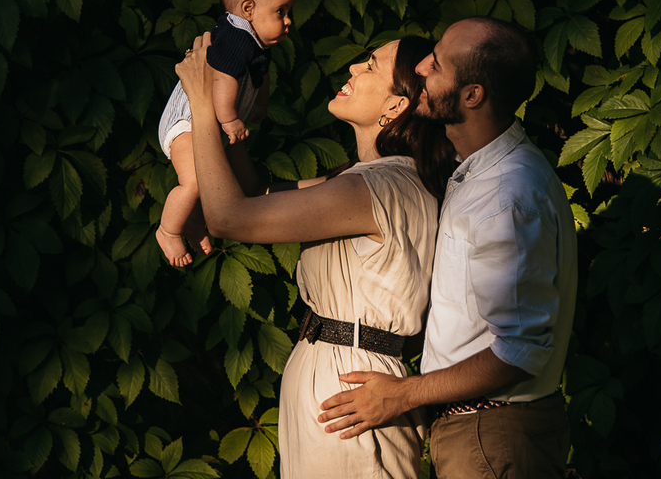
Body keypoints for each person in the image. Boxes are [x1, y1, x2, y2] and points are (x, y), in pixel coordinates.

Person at [176, 33, 455, 479]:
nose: (350, 69)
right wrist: (233, 117)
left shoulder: (381, 187)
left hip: (350, 385)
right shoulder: (361, 180)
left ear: (395, 107)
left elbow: (230, 217)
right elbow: (252, 197)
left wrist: (202, 105)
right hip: (333, 373)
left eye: (368, 66)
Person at [317, 17, 579, 478]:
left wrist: (402, 394)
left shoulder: (506, 196)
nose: (419, 68)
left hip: (493, 434)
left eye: (435, 64)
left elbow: (519, 351)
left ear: (472, 95)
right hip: (480, 431)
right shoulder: (476, 171)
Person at [155, 0, 294, 267]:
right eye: (280, 12)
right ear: (248, 9)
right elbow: (222, 80)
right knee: (192, 182)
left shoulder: (256, 43)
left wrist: (260, 105)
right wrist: (230, 119)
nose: (288, 21)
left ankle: (191, 221)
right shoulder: (235, 39)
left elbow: (263, 76)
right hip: (187, 122)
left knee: (210, 183)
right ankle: (167, 230)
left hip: (205, 123)